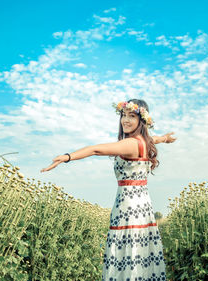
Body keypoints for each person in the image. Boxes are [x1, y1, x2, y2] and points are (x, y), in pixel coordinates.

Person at [41, 99, 176, 280]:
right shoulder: (145, 141)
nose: (125, 120)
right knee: (140, 252)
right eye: (123, 115)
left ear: (142, 121)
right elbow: (155, 139)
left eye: (132, 116)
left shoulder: (131, 144)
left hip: (128, 206)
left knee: (127, 253)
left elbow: (96, 150)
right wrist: (165, 139)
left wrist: (67, 157)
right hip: (143, 205)